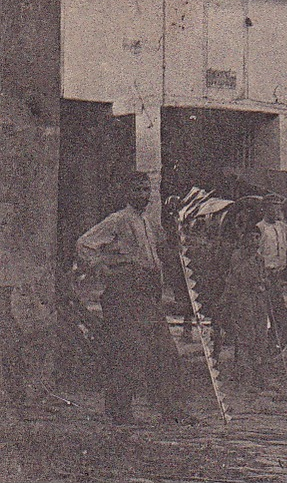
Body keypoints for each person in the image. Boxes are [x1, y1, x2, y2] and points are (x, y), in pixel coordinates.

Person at [75, 172, 193, 424]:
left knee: (165, 352)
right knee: (126, 351)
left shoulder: (148, 222)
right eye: (138, 190)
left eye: (147, 190)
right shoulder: (117, 220)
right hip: (124, 294)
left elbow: (162, 251)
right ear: (127, 193)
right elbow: (84, 245)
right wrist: (103, 267)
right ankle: (119, 412)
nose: (144, 195)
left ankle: (171, 409)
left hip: (148, 294)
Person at [221, 205, 272, 389]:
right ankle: (244, 377)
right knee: (245, 338)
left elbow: (263, 277)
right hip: (243, 300)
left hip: (258, 301)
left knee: (260, 337)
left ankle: (260, 377)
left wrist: (264, 283)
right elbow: (238, 277)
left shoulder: (259, 259)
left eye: (258, 237)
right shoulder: (238, 256)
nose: (255, 240)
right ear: (245, 238)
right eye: (252, 237)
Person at [256, 194, 287, 347]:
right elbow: (253, 255)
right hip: (261, 279)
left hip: (275, 279)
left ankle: (269, 346)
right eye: (272, 208)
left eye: (277, 208)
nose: (275, 212)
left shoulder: (282, 227)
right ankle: (257, 349)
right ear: (265, 209)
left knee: (281, 318)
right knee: (260, 317)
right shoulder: (259, 228)